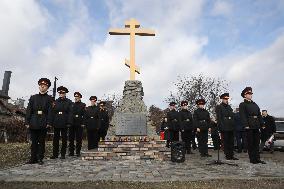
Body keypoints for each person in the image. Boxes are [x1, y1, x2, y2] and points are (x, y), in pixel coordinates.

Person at [25, 78, 53, 165]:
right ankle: (33, 158)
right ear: (39, 87)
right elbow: (29, 110)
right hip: (33, 121)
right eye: (41, 86)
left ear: (47, 88)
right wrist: (27, 122)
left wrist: (49, 122)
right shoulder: (33, 97)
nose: (42, 87)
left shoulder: (49, 98)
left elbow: (50, 111)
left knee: (41, 142)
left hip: (43, 122)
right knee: (33, 142)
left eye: (44, 86)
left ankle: (40, 158)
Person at [239, 87, 266, 164]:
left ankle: (257, 158)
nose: (251, 95)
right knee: (250, 143)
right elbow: (243, 116)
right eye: (249, 93)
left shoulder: (255, 104)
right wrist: (246, 125)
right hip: (249, 126)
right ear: (245, 95)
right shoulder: (242, 104)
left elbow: (259, 115)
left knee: (256, 143)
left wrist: (262, 124)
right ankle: (252, 159)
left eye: (251, 93)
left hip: (256, 125)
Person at [50, 86, 73, 159]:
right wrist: (52, 122)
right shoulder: (55, 101)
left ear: (65, 93)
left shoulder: (69, 102)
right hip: (56, 121)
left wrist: (69, 122)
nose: (61, 94)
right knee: (55, 139)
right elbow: (53, 112)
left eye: (63, 93)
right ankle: (55, 154)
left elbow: (70, 113)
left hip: (65, 122)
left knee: (64, 139)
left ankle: (63, 154)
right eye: (60, 93)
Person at [216, 93, 238, 160]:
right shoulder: (219, 107)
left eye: (227, 99)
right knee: (226, 142)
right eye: (225, 99)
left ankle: (231, 155)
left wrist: (233, 124)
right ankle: (227, 155)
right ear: (222, 99)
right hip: (224, 126)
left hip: (231, 126)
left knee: (231, 142)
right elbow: (219, 118)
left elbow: (232, 116)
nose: (226, 100)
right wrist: (220, 127)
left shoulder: (229, 107)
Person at [69, 92, 85, 157]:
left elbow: (84, 115)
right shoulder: (72, 105)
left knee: (79, 138)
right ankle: (71, 152)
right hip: (72, 123)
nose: (76, 98)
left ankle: (78, 152)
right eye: (75, 96)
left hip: (79, 123)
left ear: (80, 97)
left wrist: (83, 123)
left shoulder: (83, 105)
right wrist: (69, 122)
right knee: (71, 138)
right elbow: (70, 114)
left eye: (77, 96)